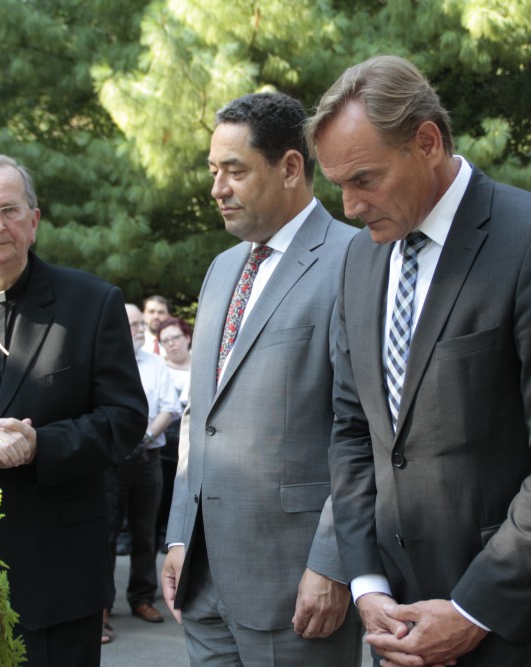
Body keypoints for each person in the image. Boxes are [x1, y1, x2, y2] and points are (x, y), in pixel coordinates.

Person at [306, 55, 531, 665]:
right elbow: (355, 432)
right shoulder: (360, 261)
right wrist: (368, 582)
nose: (348, 206)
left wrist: (474, 607)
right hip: (398, 626)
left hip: (525, 627)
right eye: (338, 184)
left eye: (364, 179)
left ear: (426, 142)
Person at [161, 92, 361, 665]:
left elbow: (364, 430)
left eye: (235, 171)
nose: (217, 188)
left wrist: (332, 562)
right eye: (212, 170)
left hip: (297, 590)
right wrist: (180, 536)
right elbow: (202, 417)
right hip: (204, 585)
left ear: (291, 168)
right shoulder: (223, 269)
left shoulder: (354, 259)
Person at [0, 154, 148, 666]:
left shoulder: (91, 301)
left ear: (33, 223)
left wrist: (40, 445)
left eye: (11, 210)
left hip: (57, 575)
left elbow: (125, 419)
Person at [106, 304, 179, 632]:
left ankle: (141, 597)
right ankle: (102, 605)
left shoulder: (155, 364)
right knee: (106, 533)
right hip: (113, 460)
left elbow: (169, 407)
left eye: (140, 324)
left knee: (145, 532)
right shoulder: (106, 359)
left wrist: (146, 436)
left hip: (148, 459)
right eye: (132, 324)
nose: (138, 329)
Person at [154, 316, 193, 551]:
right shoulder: (159, 368)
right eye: (165, 340)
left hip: (190, 447)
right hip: (162, 448)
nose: (171, 344)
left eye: (175, 338)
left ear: (187, 337)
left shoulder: (203, 364)